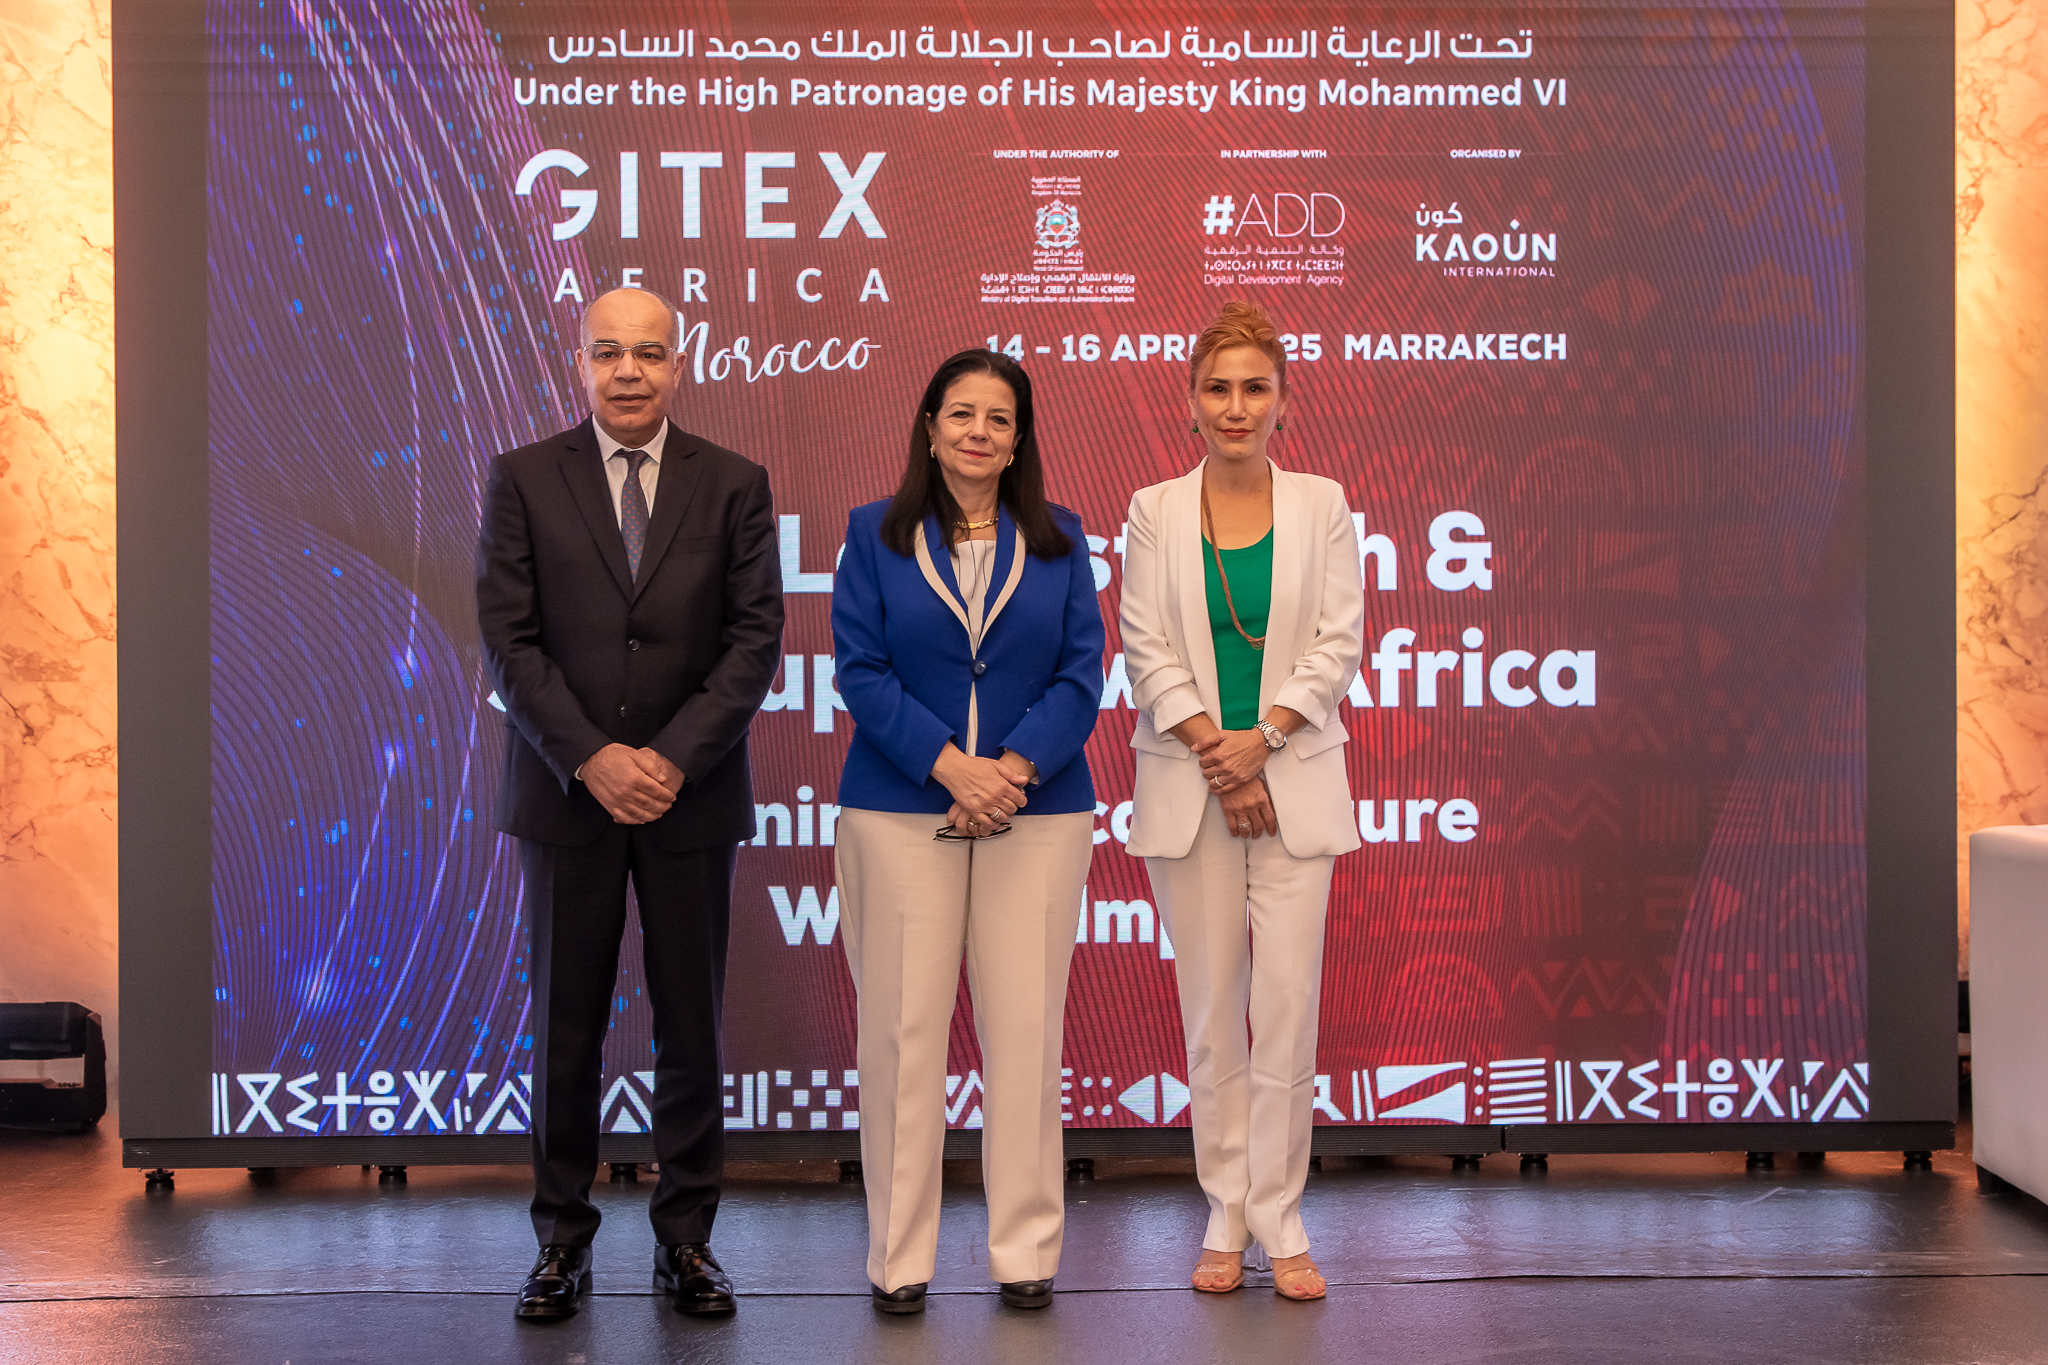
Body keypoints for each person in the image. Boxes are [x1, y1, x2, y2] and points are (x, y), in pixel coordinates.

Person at [476, 287, 783, 1320]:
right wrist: (593, 758)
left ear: (678, 365)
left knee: (690, 1028)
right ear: (581, 362)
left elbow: (754, 641)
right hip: (566, 797)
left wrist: (669, 761)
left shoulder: (734, 483)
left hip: (690, 800)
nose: (628, 372)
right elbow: (509, 641)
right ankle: (559, 1243)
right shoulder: (523, 477)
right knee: (564, 1028)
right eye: (608, 352)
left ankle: (686, 1240)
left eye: (648, 353)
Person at [830, 349, 1106, 1314]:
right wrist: (951, 765)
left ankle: (1025, 1250)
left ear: (1018, 438)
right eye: (961, 413)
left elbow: (1081, 675)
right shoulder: (874, 533)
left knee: (1025, 1034)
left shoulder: (1063, 540)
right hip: (901, 807)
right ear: (931, 426)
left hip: (1037, 811)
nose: (978, 432)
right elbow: (860, 670)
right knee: (903, 1037)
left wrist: (1011, 772)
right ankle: (898, 1260)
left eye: (998, 417)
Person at [1119, 300, 1365, 1302]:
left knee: (1287, 1014)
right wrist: (1221, 759)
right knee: (1214, 1018)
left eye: (1253, 388)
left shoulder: (1322, 504)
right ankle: (1224, 1215)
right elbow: (1146, 648)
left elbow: (1337, 645)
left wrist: (1259, 744)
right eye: (1216, 388)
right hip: (1190, 792)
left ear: (1282, 401)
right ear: (1189, 401)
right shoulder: (1152, 509)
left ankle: (1282, 1219)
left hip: (1292, 786)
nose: (1235, 406)